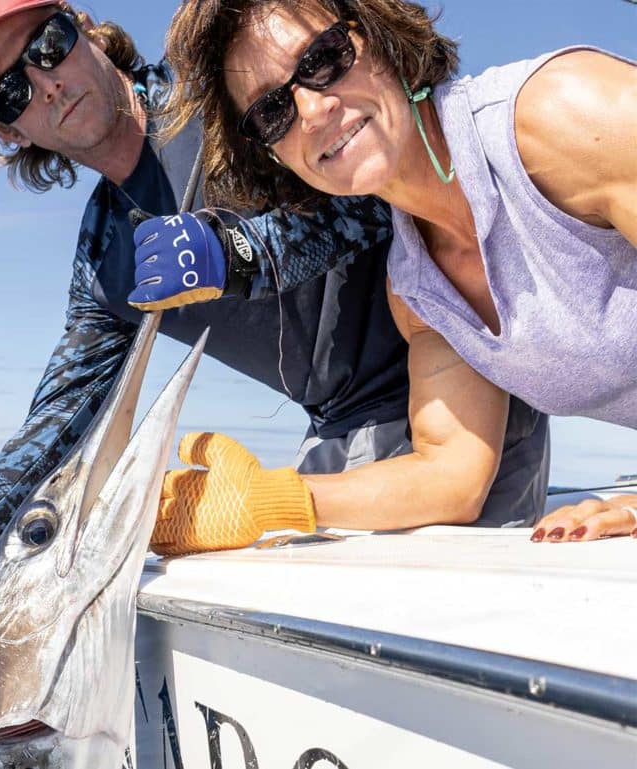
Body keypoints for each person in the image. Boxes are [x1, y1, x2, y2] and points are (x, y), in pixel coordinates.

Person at [0, 0, 549, 660]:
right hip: (342, 436)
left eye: (47, 45)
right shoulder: (107, 261)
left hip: (456, 380)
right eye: (13, 91)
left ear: (87, 33)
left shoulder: (221, 95)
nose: (47, 84)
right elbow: (53, 433)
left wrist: (241, 254)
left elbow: (390, 183)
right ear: (11, 129)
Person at [161, 0, 637, 544]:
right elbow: (450, 476)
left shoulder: (561, 114)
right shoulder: (417, 286)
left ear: (383, 37)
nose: (313, 111)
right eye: (273, 111)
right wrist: (270, 499)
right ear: (272, 155)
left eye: (323, 59)